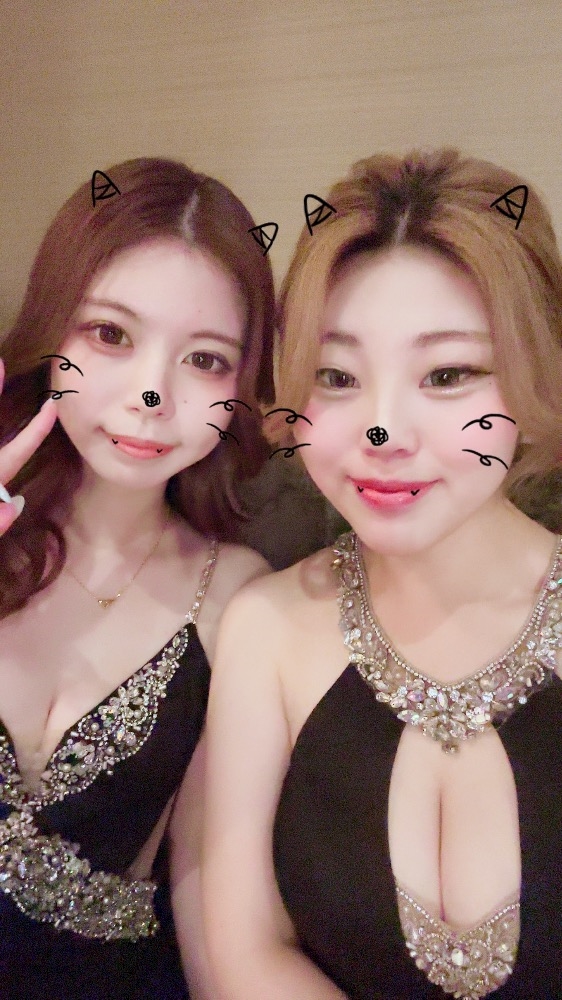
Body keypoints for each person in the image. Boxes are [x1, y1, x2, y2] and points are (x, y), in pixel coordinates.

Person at [203, 148, 562, 999]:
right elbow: (245, 949)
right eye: (336, 377)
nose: (382, 431)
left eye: (448, 374)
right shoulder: (265, 629)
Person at [0, 156, 276, 999]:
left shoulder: (239, 595)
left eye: (206, 360)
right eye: (111, 336)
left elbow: (206, 889)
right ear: (52, 333)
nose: (153, 394)